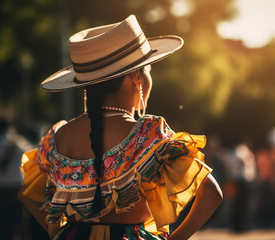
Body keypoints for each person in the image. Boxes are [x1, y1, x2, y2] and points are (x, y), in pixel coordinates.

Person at [18, 15, 223, 240]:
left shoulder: (57, 137)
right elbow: (211, 194)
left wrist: (57, 233)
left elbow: (27, 195)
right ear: (136, 76)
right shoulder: (147, 135)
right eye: (149, 69)